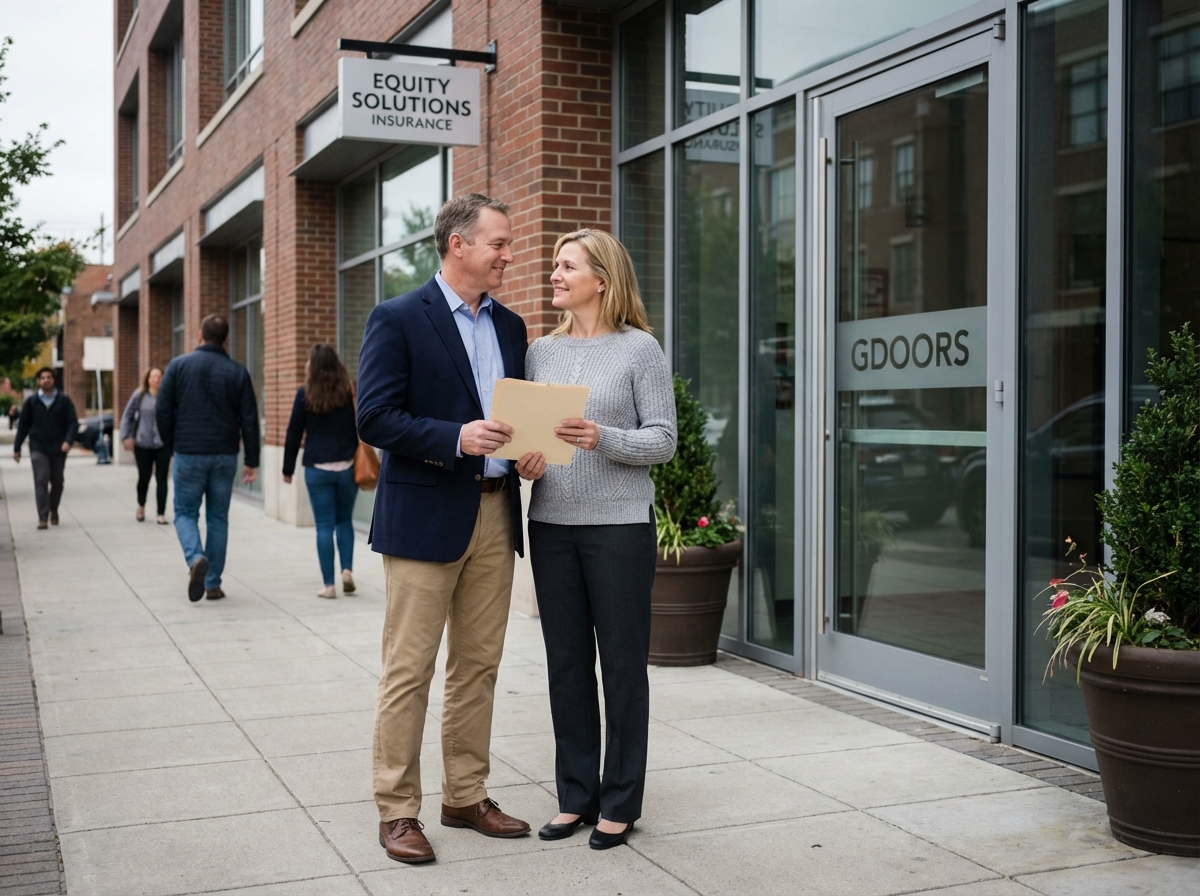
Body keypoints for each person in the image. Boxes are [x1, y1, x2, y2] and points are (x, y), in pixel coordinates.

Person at [356, 193, 530, 864]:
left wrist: (531, 447)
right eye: (499, 243)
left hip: (495, 513)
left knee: (478, 666)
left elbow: (516, 417)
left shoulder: (512, 327)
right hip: (425, 517)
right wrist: (455, 437)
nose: (509, 254)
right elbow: (374, 416)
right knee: (410, 669)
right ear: (459, 245)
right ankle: (398, 810)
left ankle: (466, 794)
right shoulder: (398, 318)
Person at [518, 229, 676, 850]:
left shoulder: (641, 350)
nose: (554, 274)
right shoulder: (540, 353)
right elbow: (532, 439)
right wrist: (527, 461)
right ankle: (575, 796)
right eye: (554, 265)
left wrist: (601, 436)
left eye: (566, 266)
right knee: (565, 667)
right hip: (552, 526)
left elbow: (663, 441)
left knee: (621, 667)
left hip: (618, 530)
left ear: (601, 280)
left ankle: (620, 801)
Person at [156, 314, 260, 602]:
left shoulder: (178, 366)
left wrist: (171, 444)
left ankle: (195, 559)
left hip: (188, 452)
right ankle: (212, 583)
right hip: (224, 455)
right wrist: (252, 459)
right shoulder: (237, 372)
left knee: (185, 513)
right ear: (225, 339)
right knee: (217, 519)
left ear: (200, 335)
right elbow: (249, 419)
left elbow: (162, 411)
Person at [282, 344, 359, 599]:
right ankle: (347, 570)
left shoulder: (305, 393)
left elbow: (294, 433)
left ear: (311, 366)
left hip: (317, 468)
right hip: (347, 466)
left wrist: (288, 468)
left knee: (324, 526)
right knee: (344, 520)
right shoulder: (350, 390)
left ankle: (329, 585)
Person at [13, 367, 79, 530]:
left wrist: (68, 441)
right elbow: (23, 425)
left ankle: (53, 510)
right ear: (38, 381)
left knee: (57, 482)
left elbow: (73, 422)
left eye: (49, 377)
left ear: (53, 380)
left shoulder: (63, 400)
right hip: (38, 447)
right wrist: (17, 447)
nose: (46, 380)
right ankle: (43, 517)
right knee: (41, 480)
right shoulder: (32, 401)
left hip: (58, 448)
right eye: (42, 378)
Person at [120, 367, 171, 524]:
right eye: (153, 376)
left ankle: (160, 514)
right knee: (144, 477)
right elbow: (127, 416)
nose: (156, 379)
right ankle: (141, 506)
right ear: (148, 379)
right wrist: (126, 437)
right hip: (143, 443)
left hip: (163, 444)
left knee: (162, 479)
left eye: (159, 376)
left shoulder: (168, 395)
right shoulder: (139, 395)